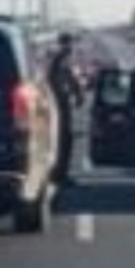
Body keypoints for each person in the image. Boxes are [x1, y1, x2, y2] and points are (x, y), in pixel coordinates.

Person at [48, 33, 84, 187]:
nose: (71, 47)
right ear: (65, 43)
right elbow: (67, 78)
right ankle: (59, 174)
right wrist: (77, 93)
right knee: (64, 139)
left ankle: (60, 172)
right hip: (60, 103)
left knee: (64, 138)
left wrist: (76, 93)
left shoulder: (58, 58)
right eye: (69, 44)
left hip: (59, 101)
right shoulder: (60, 58)